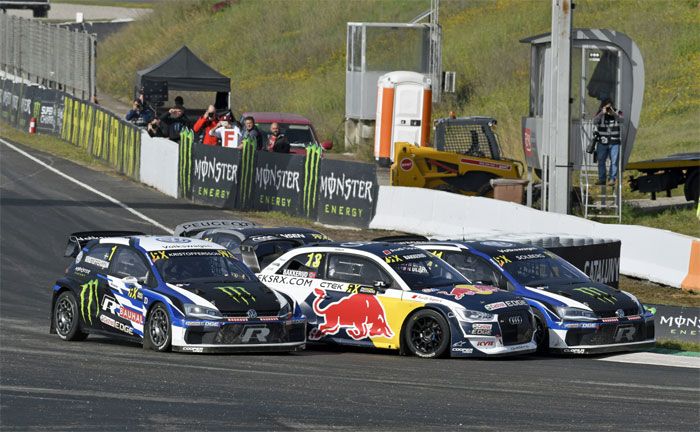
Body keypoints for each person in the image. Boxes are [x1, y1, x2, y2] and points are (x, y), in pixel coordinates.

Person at [593, 98, 622, 185]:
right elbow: (594, 121)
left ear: (613, 105)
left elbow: (622, 120)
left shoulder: (618, 112)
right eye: (607, 106)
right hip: (602, 142)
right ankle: (602, 179)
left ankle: (612, 179)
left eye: (610, 106)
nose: (609, 108)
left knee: (614, 161)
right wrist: (602, 113)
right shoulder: (600, 112)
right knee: (601, 161)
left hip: (614, 142)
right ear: (603, 106)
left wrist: (614, 114)